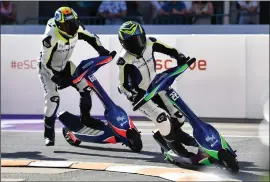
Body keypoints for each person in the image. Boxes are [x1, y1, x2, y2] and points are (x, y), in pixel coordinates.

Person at [116, 21, 208, 165]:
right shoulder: (124, 60)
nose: (137, 43)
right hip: (141, 98)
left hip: (157, 87)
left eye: (138, 38)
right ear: (123, 43)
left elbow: (171, 50)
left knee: (178, 118)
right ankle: (178, 150)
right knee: (162, 118)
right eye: (131, 41)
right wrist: (133, 93)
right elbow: (122, 85)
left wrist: (180, 57)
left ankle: (163, 136)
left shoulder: (150, 42)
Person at [37, 6, 114, 146]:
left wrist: (102, 50)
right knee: (53, 98)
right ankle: (49, 133)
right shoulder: (51, 36)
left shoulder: (77, 28)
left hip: (66, 64)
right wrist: (56, 77)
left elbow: (92, 37)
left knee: (86, 88)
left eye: (72, 23)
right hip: (48, 69)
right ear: (59, 25)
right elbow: (45, 62)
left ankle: (86, 119)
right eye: (66, 25)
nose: (70, 28)